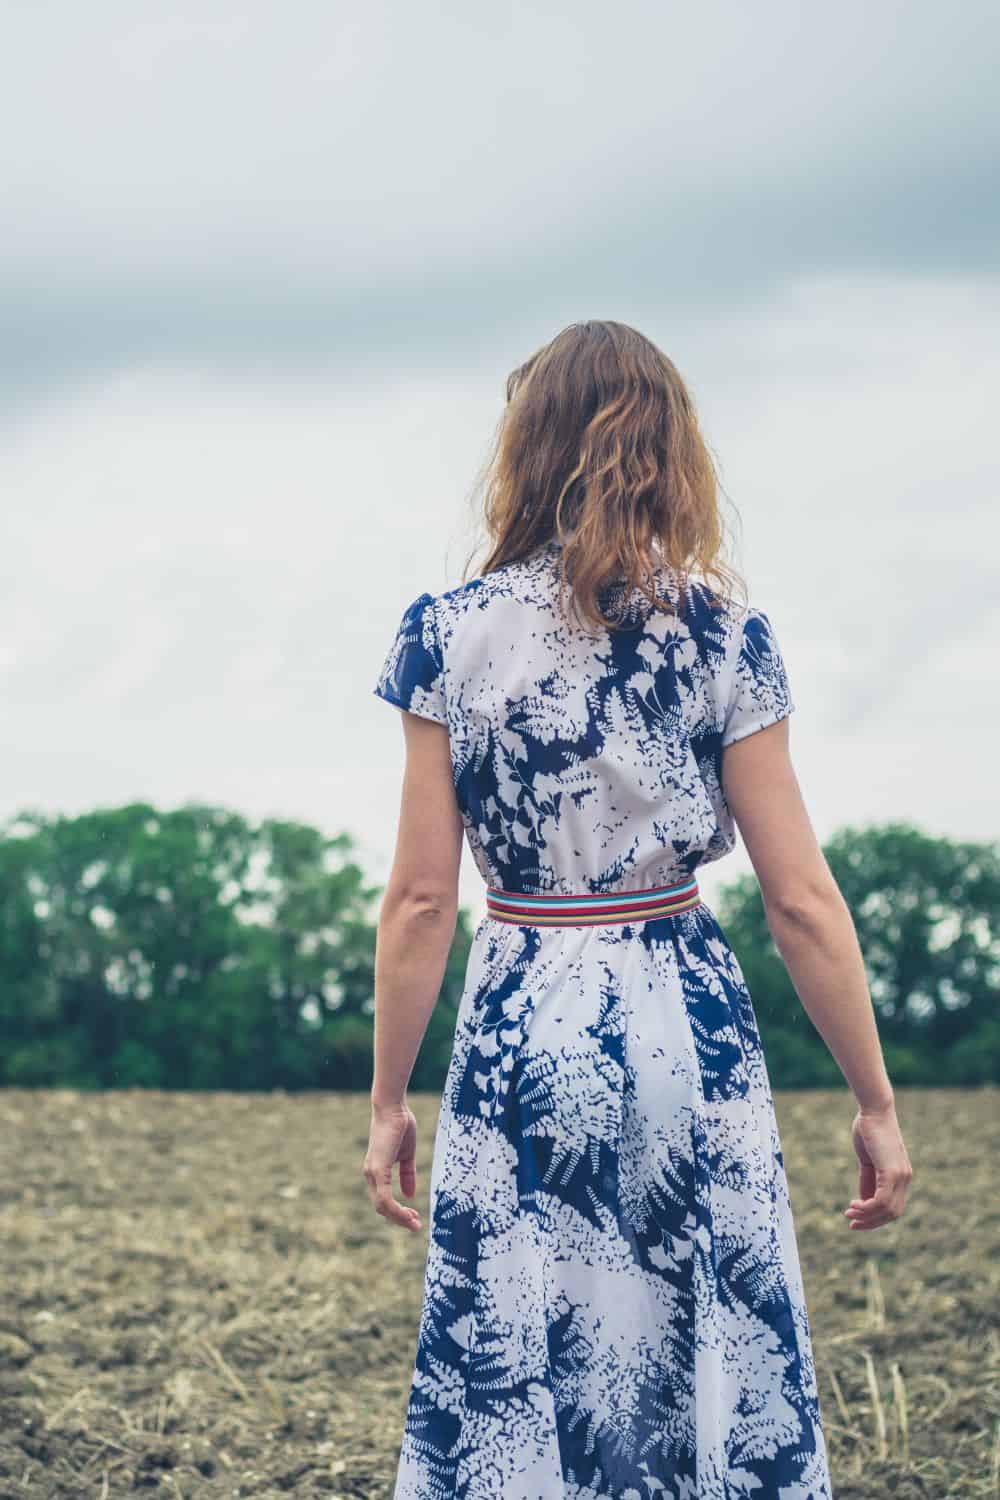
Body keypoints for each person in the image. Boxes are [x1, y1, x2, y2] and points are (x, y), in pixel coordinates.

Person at [364, 319, 912, 1499]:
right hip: (682, 1015)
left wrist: (384, 1102)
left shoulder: (443, 636)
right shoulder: (725, 635)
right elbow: (801, 900)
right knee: (694, 1343)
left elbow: (418, 901)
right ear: (673, 452)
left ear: (527, 448)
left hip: (519, 1013)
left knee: (515, 1357)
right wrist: (874, 1101)